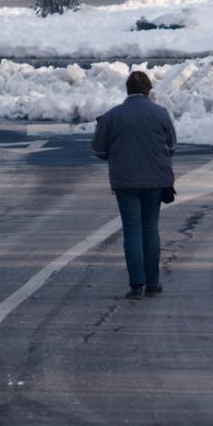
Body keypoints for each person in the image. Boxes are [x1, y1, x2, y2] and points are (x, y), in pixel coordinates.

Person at [91, 70, 177, 300]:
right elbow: (171, 146)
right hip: (156, 181)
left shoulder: (112, 116)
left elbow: (98, 149)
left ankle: (136, 284)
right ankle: (153, 282)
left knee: (132, 230)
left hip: (125, 181)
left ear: (127, 90)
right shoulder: (161, 114)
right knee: (150, 229)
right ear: (149, 90)